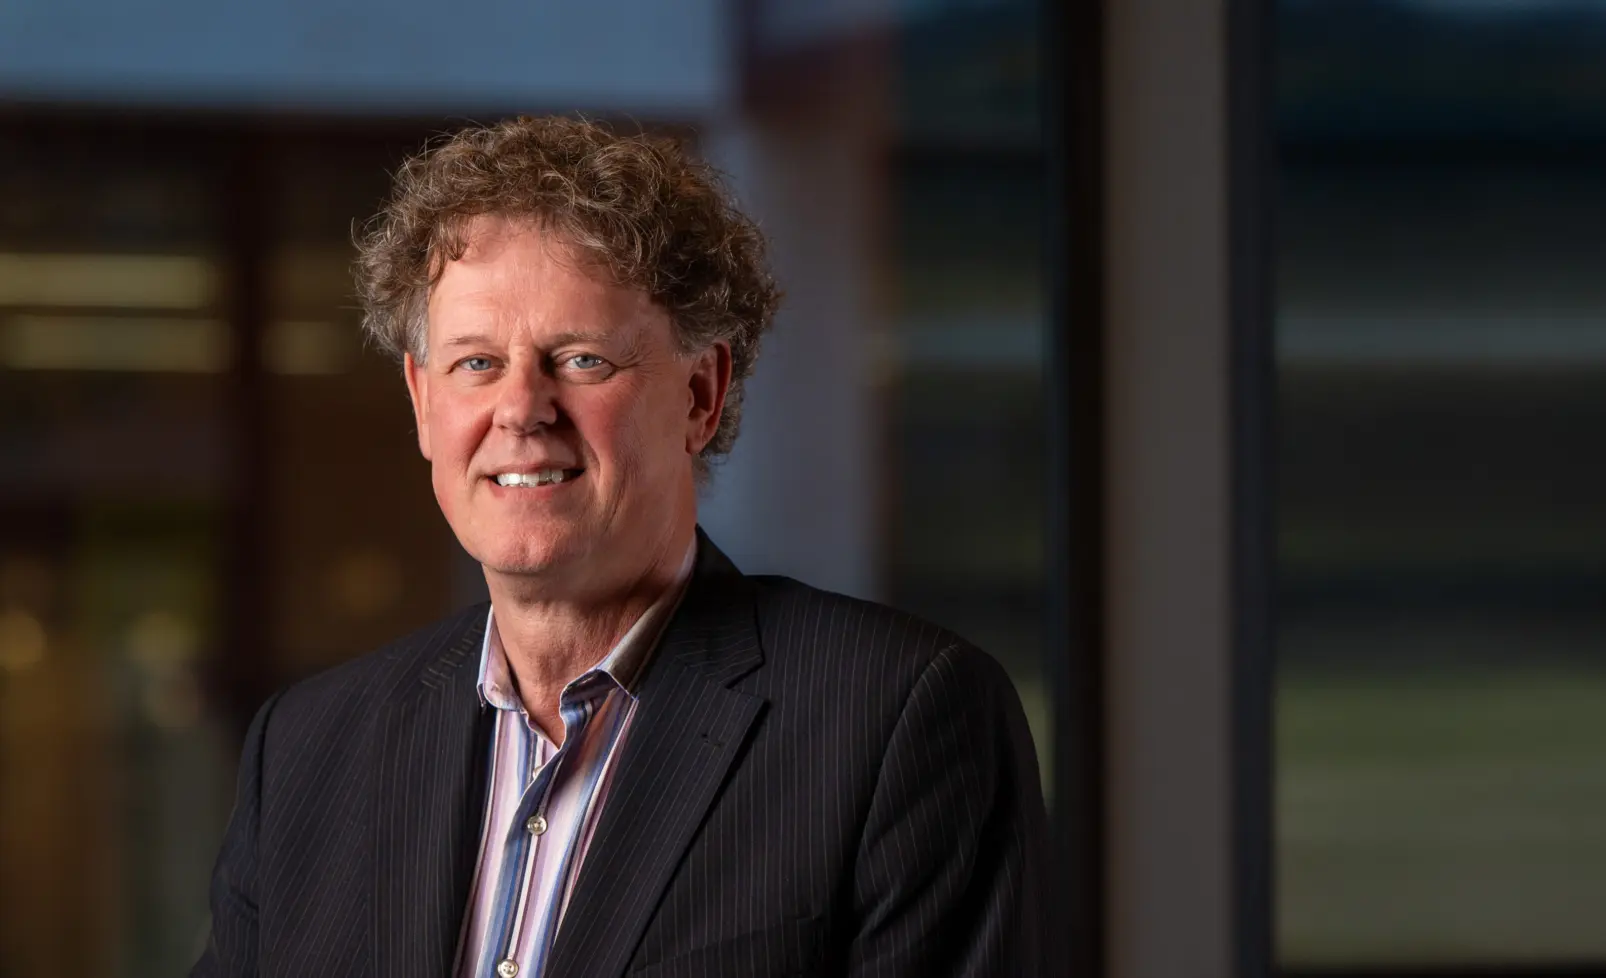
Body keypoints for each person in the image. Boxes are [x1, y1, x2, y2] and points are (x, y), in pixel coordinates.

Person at [190, 116, 1051, 978]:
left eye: (581, 360)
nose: (521, 410)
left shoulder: (894, 720)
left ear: (700, 395)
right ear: (422, 401)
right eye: (477, 364)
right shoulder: (306, 750)